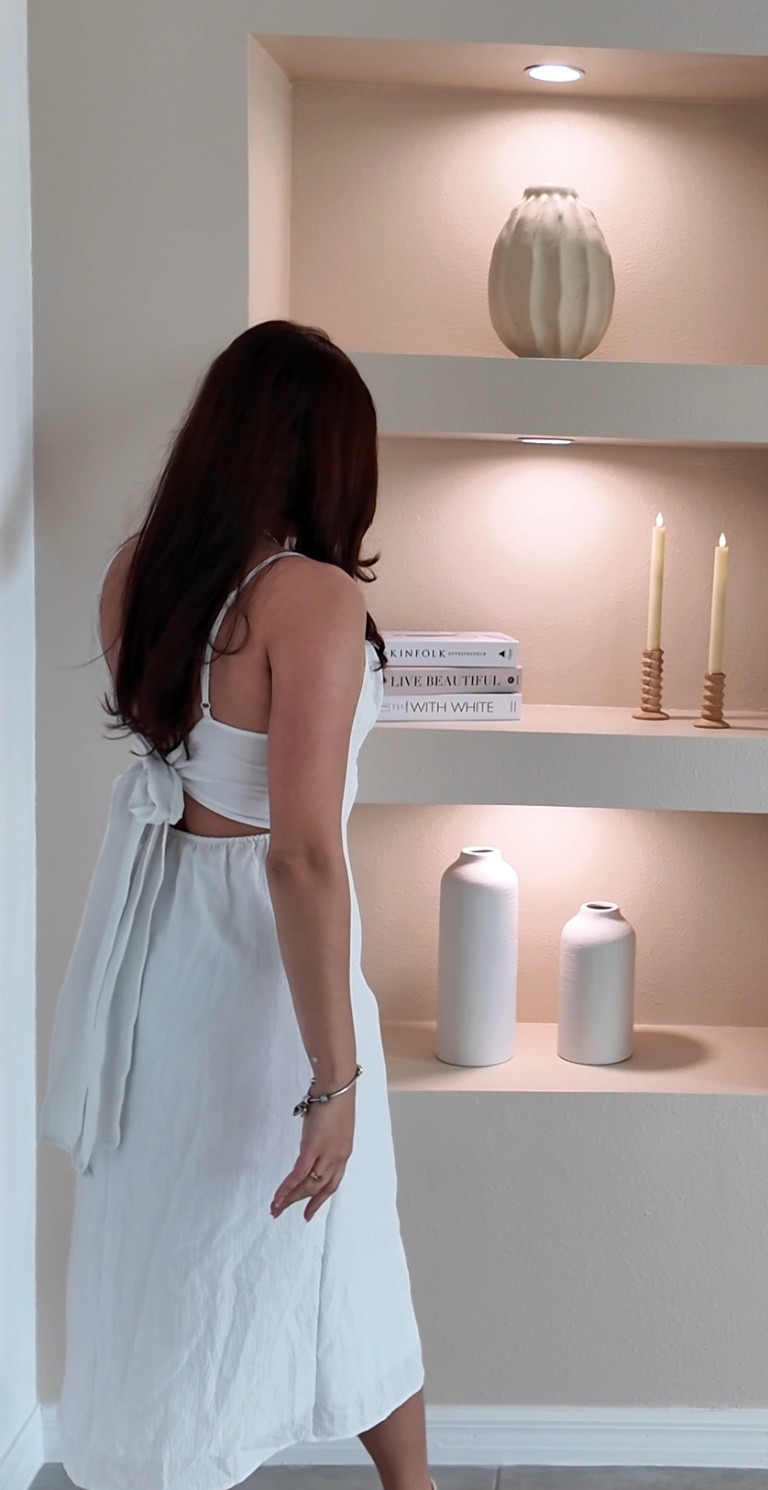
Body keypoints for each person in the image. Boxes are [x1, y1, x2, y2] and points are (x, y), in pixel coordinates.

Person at [39, 320, 435, 1490]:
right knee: (310, 1243)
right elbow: (301, 855)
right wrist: (335, 1079)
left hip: (164, 945)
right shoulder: (312, 600)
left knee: (192, 1246)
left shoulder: (138, 570)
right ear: (327, 455)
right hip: (269, 970)